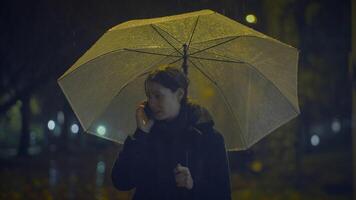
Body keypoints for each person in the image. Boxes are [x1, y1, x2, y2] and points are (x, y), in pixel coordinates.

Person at [111, 66, 232, 200]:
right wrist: (141, 134)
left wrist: (193, 185)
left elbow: (222, 194)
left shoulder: (208, 138)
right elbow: (121, 181)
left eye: (158, 96)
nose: (151, 103)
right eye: (149, 96)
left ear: (179, 94)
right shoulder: (147, 134)